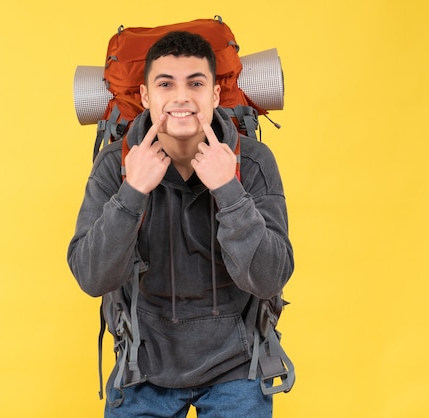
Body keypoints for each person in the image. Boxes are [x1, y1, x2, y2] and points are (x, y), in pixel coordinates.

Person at [67, 30, 294, 417]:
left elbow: (271, 277)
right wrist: (132, 191)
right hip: (143, 365)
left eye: (196, 83)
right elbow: (91, 277)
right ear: (144, 98)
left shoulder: (252, 163)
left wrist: (229, 189)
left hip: (236, 365)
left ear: (215, 96)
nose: (181, 97)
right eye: (165, 83)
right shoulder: (116, 165)